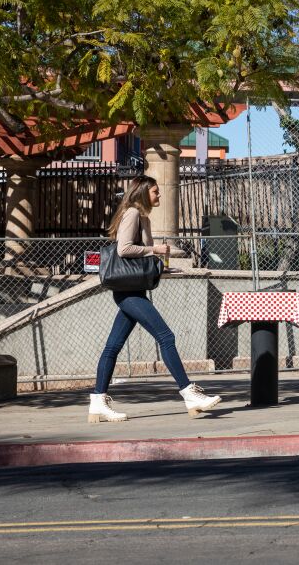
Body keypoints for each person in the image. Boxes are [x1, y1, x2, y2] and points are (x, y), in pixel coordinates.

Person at [88, 175, 221, 423]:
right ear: (142, 193)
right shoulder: (132, 214)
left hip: (133, 290)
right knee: (166, 337)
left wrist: (162, 268)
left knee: (113, 347)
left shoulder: (142, 217)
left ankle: (98, 402)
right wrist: (155, 249)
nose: (159, 195)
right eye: (155, 192)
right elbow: (123, 249)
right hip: (128, 292)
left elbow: (140, 259)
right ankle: (189, 393)